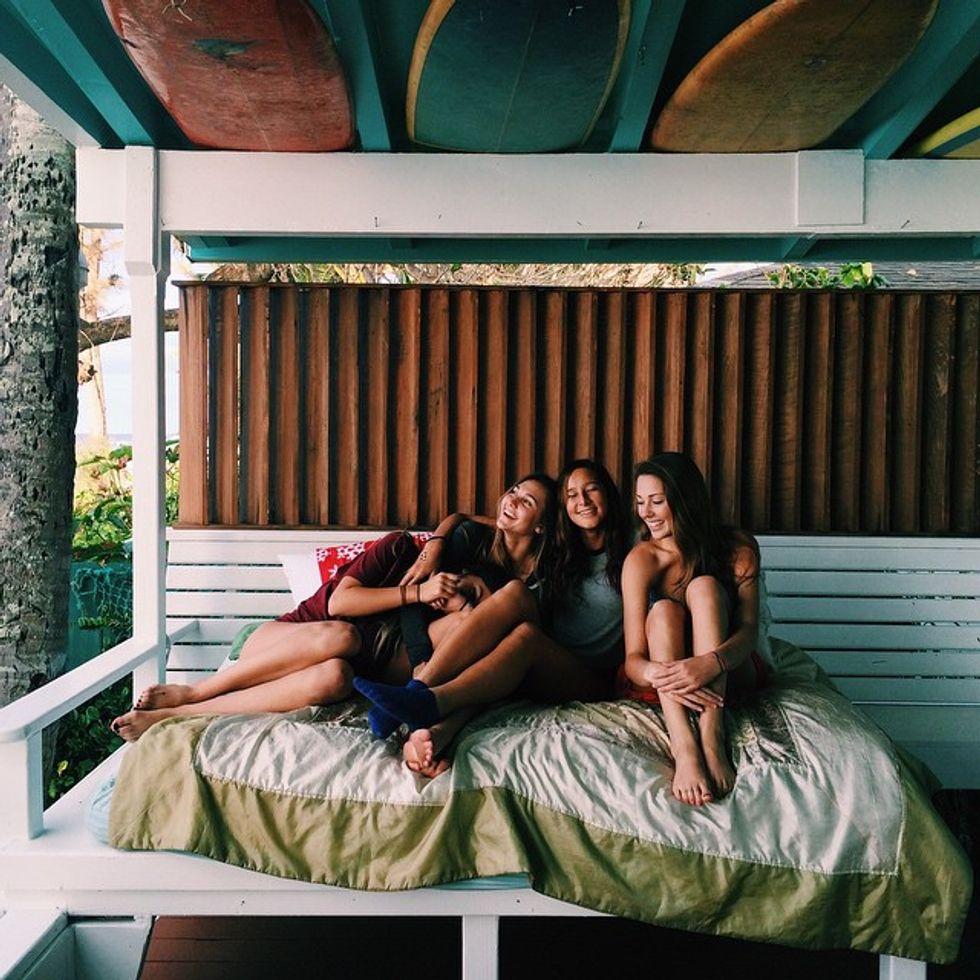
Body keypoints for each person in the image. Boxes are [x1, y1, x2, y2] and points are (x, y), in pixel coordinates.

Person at [355, 459, 632, 775]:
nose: (582, 501)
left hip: (586, 676)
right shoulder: (562, 545)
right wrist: (437, 541)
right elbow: (473, 519)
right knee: (514, 641)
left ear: (609, 493)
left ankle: (418, 692)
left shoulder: (630, 548)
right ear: (563, 510)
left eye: (591, 489)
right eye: (571, 495)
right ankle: (432, 734)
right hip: (541, 653)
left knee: (517, 606)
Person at [621, 451, 764, 807]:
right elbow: (633, 660)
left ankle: (712, 738)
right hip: (667, 676)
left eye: (657, 501)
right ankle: (684, 745)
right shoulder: (642, 559)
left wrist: (711, 662)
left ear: (685, 501)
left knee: (704, 587)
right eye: (640, 501)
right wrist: (664, 673)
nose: (646, 513)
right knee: (664, 611)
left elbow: (749, 631)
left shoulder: (738, 549)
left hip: (728, 669)